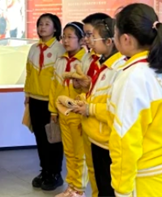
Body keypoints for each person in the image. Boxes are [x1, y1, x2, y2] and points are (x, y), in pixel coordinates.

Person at [109, 3, 162, 197]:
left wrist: (122, 189)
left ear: (126, 39)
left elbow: (125, 142)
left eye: (115, 33)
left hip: (150, 181)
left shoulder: (133, 78)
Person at [72, 17, 125, 197]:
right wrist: (83, 96)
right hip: (96, 135)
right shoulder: (102, 63)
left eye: (91, 36)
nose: (88, 40)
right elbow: (98, 95)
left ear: (109, 41)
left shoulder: (119, 68)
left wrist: (89, 109)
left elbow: (116, 108)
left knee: (107, 186)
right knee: (100, 182)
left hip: (108, 139)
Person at [24, 13, 66, 191]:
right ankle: (45, 171)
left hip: (51, 102)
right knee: (40, 138)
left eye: (47, 24)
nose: (42, 27)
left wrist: (56, 105)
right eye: (40, 24)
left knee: (53, 139)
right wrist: (27, 95)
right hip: (35, 100)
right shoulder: (34, 48)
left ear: (55, 28)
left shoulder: (60, 49)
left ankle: (55, 173)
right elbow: (29, 73)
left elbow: (60, 79)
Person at [50, 22, 89, 197]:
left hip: (78, 114)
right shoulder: (60, 60)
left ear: (81, 40)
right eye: (63, 37)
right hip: (63, 114)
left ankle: (79, 189)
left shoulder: (85, 61)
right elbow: (54, 88)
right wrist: (53, 110)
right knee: (69, 152)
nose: (65, 41)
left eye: (70, 37)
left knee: (80, 154)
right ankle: (71, 186)